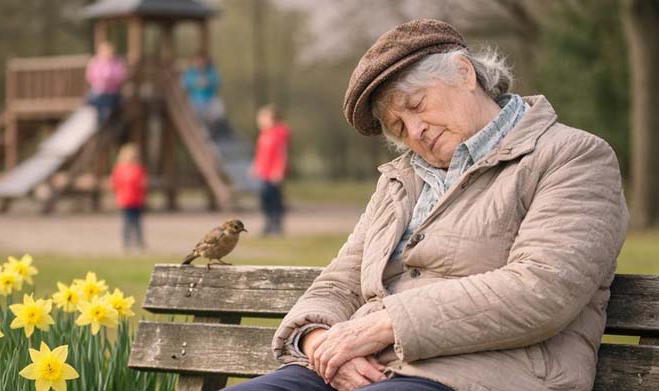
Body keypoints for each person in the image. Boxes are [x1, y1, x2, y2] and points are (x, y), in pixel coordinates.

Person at [224, 19, 629, 391]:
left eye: (416, 105)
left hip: (482, 375)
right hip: (365, 372)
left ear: (465, 73)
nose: (415, 131)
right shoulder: (402, 180)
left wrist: (385, 325)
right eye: (398, 127)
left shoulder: (572, 156)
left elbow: (541, 289)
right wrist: (319, 342)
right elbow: (339, 281)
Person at [251, 105, 290, 236]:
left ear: (272, 118)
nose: (260, 121)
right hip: (264, 173)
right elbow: (261, 154)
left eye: (263, 118)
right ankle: (268, 223)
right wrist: (256, 167)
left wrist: (279, 170)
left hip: (274, 173)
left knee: (275, 198)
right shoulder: (264, 135)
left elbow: (282, 153)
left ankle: (276, 224)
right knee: (264, 198)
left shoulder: (280, 133)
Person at [110, 143, 147, 251]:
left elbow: (142, 184)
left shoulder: (138, 169)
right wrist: (117, 197)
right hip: (125, 201)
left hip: (136, 200)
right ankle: (126, 243)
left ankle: (139, 242)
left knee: (137, 223)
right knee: (126, 223)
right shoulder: (119, 170)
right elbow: (115, 184)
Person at [86, 41, 127, 122]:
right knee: (94, 99)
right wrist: (101, 81)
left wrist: (110, 81)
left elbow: (121, 76)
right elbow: (90, 76)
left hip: (113, 91)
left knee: (111, 103)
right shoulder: (95, 62)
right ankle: (99, 119)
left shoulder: (117, 63)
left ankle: (105, 119)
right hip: (98, 90)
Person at [182, 53, 224, 125]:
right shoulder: (190, 73)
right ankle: (199, 123)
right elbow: (184, 84)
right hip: (195, 100)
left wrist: (209, 82)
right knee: (195, 113)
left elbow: (217, 82)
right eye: (198, 62)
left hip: (209, 100)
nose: (200, 64)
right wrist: (195, 83)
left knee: (217, 107)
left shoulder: (211, 72)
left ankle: (214, 123)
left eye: (203, 62)